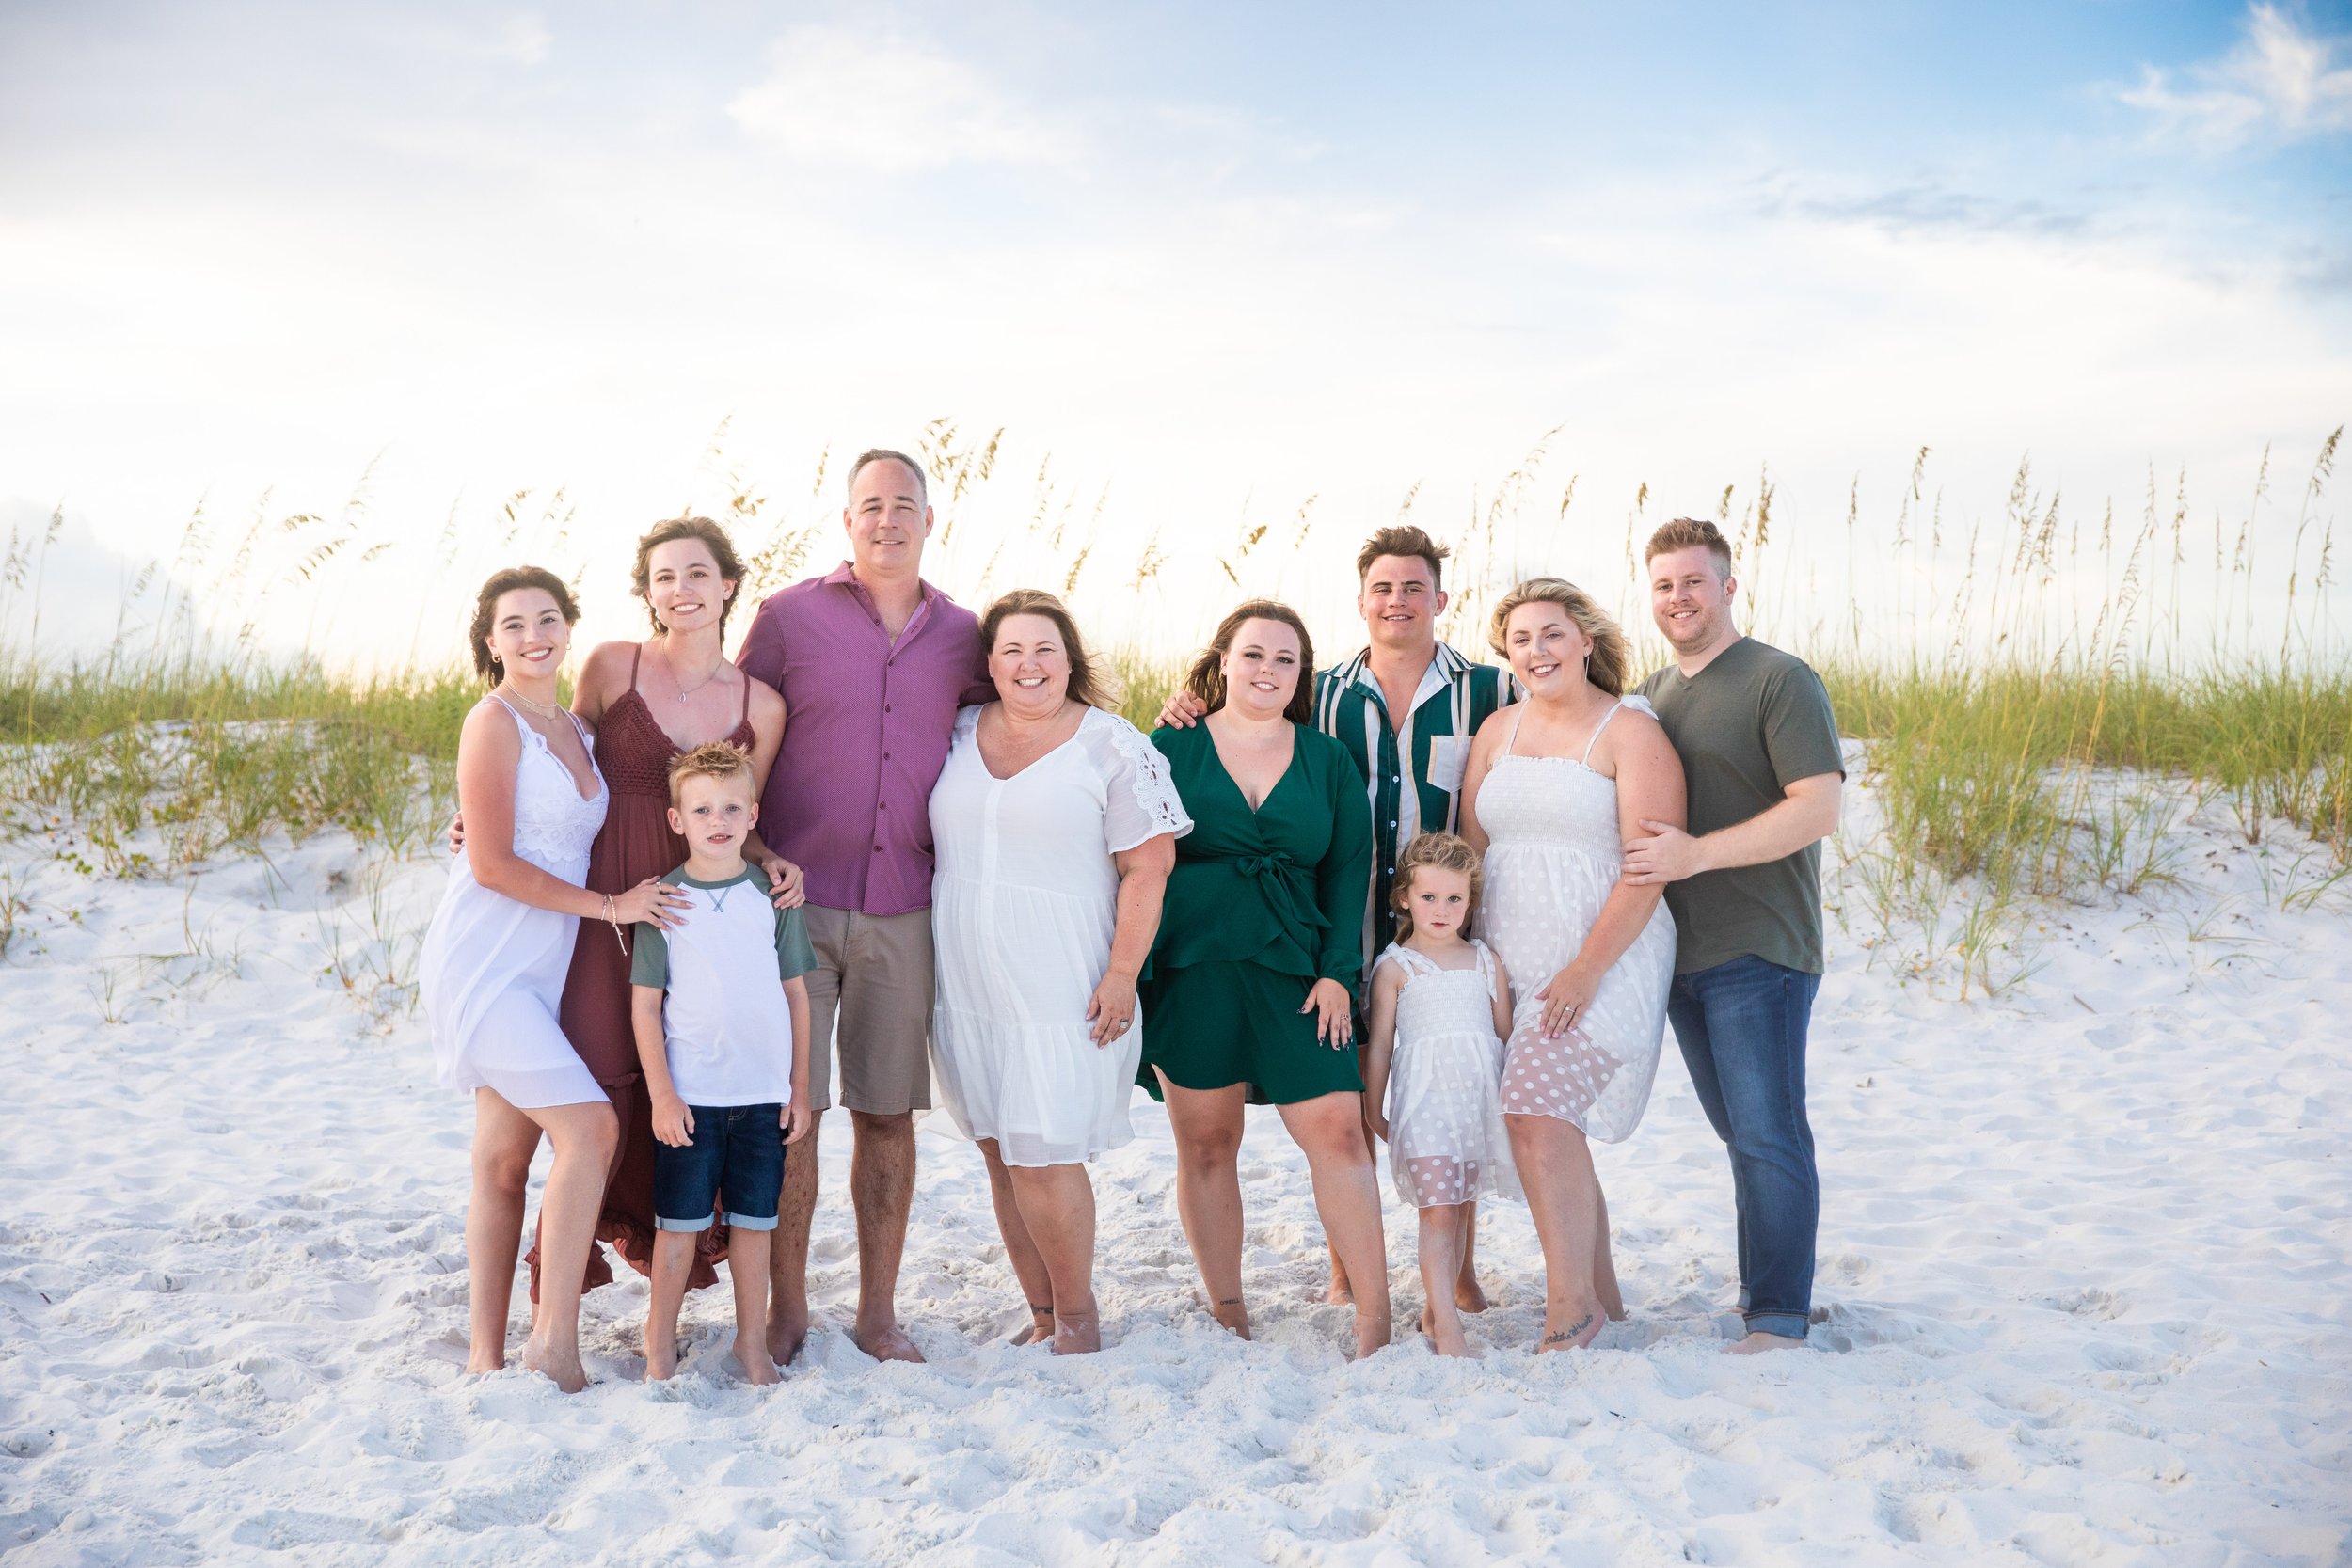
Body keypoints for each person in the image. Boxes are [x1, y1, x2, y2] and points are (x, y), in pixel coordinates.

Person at [1159, 526, 1512, 1307]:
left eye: (1413, 587)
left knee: (1448, 1082)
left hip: (1440, 918)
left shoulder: (1490, 690)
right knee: (1349, 1093)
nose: (1398, 601)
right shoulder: (1325, 692)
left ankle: (1456, 1272)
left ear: (1439, 598)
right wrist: (1187, 704)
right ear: (1360, 601)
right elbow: (1241, 731)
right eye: (1383, 588)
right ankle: (1349, 1269)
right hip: (1338, 921)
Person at [453, 518, 784, 1306]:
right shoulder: (608, 666)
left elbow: (745, 813)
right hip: (602, 911)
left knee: (688, 1077)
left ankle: (672, 1277)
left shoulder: (762, 706)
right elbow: (554, 762)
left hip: (689, 915)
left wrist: (771, 860)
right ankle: (555, 1296)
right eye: (665, 577)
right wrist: (468, 813)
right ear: (646, 592)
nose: (683, 590)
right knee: (602, 1084)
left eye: (698, 574)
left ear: (729, 584)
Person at [734, 448, 993, 1366]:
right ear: (846, 521)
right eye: (870, 504)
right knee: (792, 1114)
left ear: (931, 519)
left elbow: (1037, 713)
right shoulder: (785, 619)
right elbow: (722, 735)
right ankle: (787, 1310)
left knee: (887, 1115)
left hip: (904, 907)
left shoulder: (965, 634)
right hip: (789, 904)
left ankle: (877, 1312)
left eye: (905, 504)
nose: (888, 519)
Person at [420, 566, 674, 1393]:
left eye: (547, 619)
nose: (534, 636)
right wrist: (610, 905)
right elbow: (490, 862)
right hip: (488, 964)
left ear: (568, 626)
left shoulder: (576, 726)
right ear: (490, 641)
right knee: (592, 1129)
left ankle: (483, 1355)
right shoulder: (490, 722)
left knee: (501, 1163)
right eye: (514, 624)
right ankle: (551, 1343)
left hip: (548, 970)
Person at [928, 590, 1188, 1354]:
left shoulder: (1111, 744)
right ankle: (1041, 1310)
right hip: (969, 982)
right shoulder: (959, 732)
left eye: (1044, 649)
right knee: (999, 1149)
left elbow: (1149, 869)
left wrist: (1121, 975)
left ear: (1070, 657)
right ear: (989, 664)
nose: (1028, 664)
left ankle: (1077, 1316)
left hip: (1063, 980)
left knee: (1042, 1150)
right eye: (1011, 650)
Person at [1139, 600, 1391, 1357]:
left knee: (1339, 1132)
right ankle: (1227, 1308)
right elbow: (1133, 861)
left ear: (1301, 676)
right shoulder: (1169, 746)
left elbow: (1351, 875)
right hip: (1194, 967)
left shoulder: (1327, 758)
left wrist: (1339, 974)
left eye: (1285, 660)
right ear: (1223, 661)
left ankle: (1374, 1314)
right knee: (1208, 1144)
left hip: (1299, 971)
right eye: (1253, 655)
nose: (1267, 670)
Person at [1621, 517, 1843, 1354]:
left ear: (1727, 586)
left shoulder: (1778, 681)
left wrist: (1695, 854)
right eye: (1664, 585)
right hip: (1682, 953)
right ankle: (1766, 1296)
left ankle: (1780, 1317)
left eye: (1693, 580)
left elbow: (1816, 807)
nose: (1678, 597)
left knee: (1768, 1129)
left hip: (1761, 946)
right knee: (1741, 1131)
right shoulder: (1653, 692)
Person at [1460, 578, 1683, 1353]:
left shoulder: (1630, 733)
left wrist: (1587, 968)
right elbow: (1470, 856)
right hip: (1509, 964)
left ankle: (1572, 1307)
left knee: (1538, 1112)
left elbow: (1649, 868)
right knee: (1541, 1120)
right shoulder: (1497, 731)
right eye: (1520, 639)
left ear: (1586, 640)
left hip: (1606, 960)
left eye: (1552, 634)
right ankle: (1605, 1300)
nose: (1536, 650)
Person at [629, 742, 817, 1386]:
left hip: (763, 1094)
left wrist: (799, 1089)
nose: (718, 818)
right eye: (702, 807)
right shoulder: (663, 901)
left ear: (752, 813)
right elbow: (645, 1008)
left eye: (732, 806)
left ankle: (750, 1344)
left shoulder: (774, 895)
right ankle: (659, 1345)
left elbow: (797, 995)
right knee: (677, 1230)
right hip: (692, 1097)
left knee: (753, 1227)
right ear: (677, 819)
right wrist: (661, 1095)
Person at [1359, 832, 1518, 1359]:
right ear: (1404, 896)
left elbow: (1502, 1034)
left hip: (1476, 1104)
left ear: (1471, 901)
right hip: (1425, 1105)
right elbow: (1381, 1045)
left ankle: (1435, 1309)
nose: (1442, 909)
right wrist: (1372, 1107)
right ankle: (1448, 1328)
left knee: (1465, 1205)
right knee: (1439, 1211)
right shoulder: (1395, 968)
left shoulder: (1484, 960)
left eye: (1455, 898)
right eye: (1429, 897)